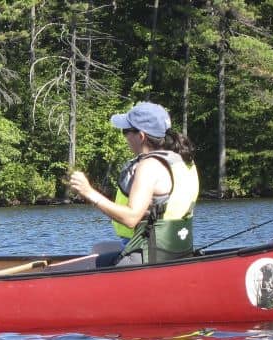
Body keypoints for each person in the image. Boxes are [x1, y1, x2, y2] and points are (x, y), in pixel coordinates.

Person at [68, 101, 199, 268]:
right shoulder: (183, 161)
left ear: (141, 136)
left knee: (70, 268)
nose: (125, 137)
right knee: (99, 248)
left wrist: (88, 192)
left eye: (126, 131)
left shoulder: (149, 166)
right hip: (176, 252)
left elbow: (131, 218)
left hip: (149, 258)